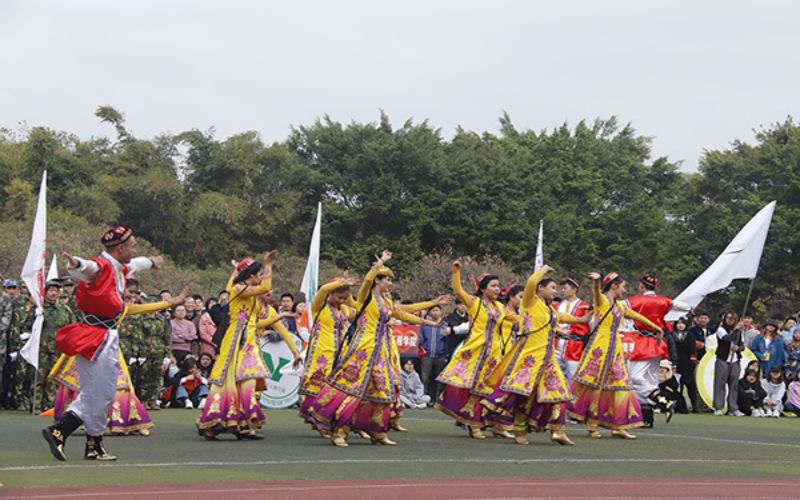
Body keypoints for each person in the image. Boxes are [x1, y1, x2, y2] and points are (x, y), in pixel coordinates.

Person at [42, 225, 164, 461]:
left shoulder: (119, 267)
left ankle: (93, 444)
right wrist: (76, 263)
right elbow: (89, 268)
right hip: (96, 337)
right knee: (98, 393)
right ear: (120, 248)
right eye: (132, 246)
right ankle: (61, 431)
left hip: (103, 335)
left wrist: (151, 260)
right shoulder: (103, 266)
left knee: (103, 392)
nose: (134, 249)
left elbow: (136, 264)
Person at [308, 251, 429, 447]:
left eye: (391, 280)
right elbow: (366, 280)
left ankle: (378, 432)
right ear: (377, 282)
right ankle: (341, 431)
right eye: (387, 280)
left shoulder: (387, 302)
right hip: (362, 351)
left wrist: (427, 321)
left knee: (382, 392)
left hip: (380, 352)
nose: (390, 283)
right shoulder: (366, 298)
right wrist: (380, 262)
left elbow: (403, 314)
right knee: (353, 391)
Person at [196, 252, 301, 441]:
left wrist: (293, 349)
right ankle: (214, 423)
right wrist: (268, 265)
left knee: (246, 382)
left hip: (248, 343)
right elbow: (265, 287)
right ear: (250, 276)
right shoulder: (238, 289)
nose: (260, 279)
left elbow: (260, 318)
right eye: (258, 275)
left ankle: (242, 424)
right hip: (235, 341)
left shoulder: (252, 298)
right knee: (227, 380)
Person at [482, 265, 589, 446]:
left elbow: (571, 319)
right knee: (524, 396)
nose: (555, 291)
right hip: (529, 358)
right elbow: (531, 281)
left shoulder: (551, 310)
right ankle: (519, 430)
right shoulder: (530, 302)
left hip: (548, 359)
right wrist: (544, 271)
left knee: (559, 392)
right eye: (552, 287)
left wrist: (586, 316)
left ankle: (558, 431)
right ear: (541, 288)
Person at [568, 272, 662, 439]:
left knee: (620, 384)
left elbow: (636, 316)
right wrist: (596, 282)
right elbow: (596, 292)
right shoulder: (602, 300)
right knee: (597, 385)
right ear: (614, 286)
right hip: (600, 347)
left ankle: (618, 425)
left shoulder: (619, 306)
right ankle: (593, 425)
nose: (625, 290)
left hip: (615, 348)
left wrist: (656, 327)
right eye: (623, 286)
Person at [435, 259, 518, 440]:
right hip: (478, 352)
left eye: (499, 286)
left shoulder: (499, 307)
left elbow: (515, 319)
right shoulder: (475, 303)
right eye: (494, 286)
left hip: (495, 354)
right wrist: (456, 272)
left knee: (494, 390)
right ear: (483, 288)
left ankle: (497, 425)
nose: (498, 289)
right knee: (476, 389)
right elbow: (458, 290)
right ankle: (474, 425)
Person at [625, 273, 688, 427]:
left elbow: (616, 306)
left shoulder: (634, 301)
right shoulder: (663, 301)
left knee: (634, 377)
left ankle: (663, 401)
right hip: (658, 342)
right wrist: (690, 309)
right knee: (651, 380)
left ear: (641, 285)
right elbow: (680, 306)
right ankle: (647, 418)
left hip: (642, 342)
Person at [297, 276, 358, 434]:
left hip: (340, 352)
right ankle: (318, 418)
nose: (342, 300)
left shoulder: (345, 310)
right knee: (318, 384)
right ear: (330, 294)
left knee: (335, 387)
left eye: (345, 297)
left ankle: (326, 419)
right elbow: (323, 289)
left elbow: (359, 310)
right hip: (321, 352)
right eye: (339, 297)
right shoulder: (319, 307)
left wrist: (349, 294)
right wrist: (343, 283)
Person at [553, 277, 591, 383]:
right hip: (556, 343)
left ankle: (572, 398)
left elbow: (589, 326)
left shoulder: (584, 307)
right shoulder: (556, 305)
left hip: (573, 346)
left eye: (565, 288)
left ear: (574, 290)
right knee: (554, 373)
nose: (563, 290)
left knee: (572, 375)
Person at [713, 310, 745, 417]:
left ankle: (733, 408)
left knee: (734, 384)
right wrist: (736, 329)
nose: (730, 321)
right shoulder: (721, 330)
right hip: (723, 359)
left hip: (735, 360)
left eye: (733, 319)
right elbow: (727, 339)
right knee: (720, 383)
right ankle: (718, 407)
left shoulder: (740, 332)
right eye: (728, 318)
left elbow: (742, 346)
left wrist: (738, 348)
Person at [418, 304, 449, 401]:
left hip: (441, 356)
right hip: (427, 356)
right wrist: (423, 350)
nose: (435, 312)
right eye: (433, 311)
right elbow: (420, 339)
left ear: (441, 312)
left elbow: (447, 341)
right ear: (429, 313)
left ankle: (438, 400)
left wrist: (446, 353)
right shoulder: (425, 325)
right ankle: (422, 398)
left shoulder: (445, 325)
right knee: (424, 379)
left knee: (440, 379)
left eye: (437, 310)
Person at [672, 317, 698, 413]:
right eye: (678, 323)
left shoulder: (690, 336)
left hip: (687, 364)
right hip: (675, 364)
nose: (680, 325)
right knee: (676, 386)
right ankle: (677, 406)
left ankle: (695, 406)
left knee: (691, 386)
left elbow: (693, 351)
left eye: (682, 323)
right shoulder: (672, 335)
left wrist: (693, 363)